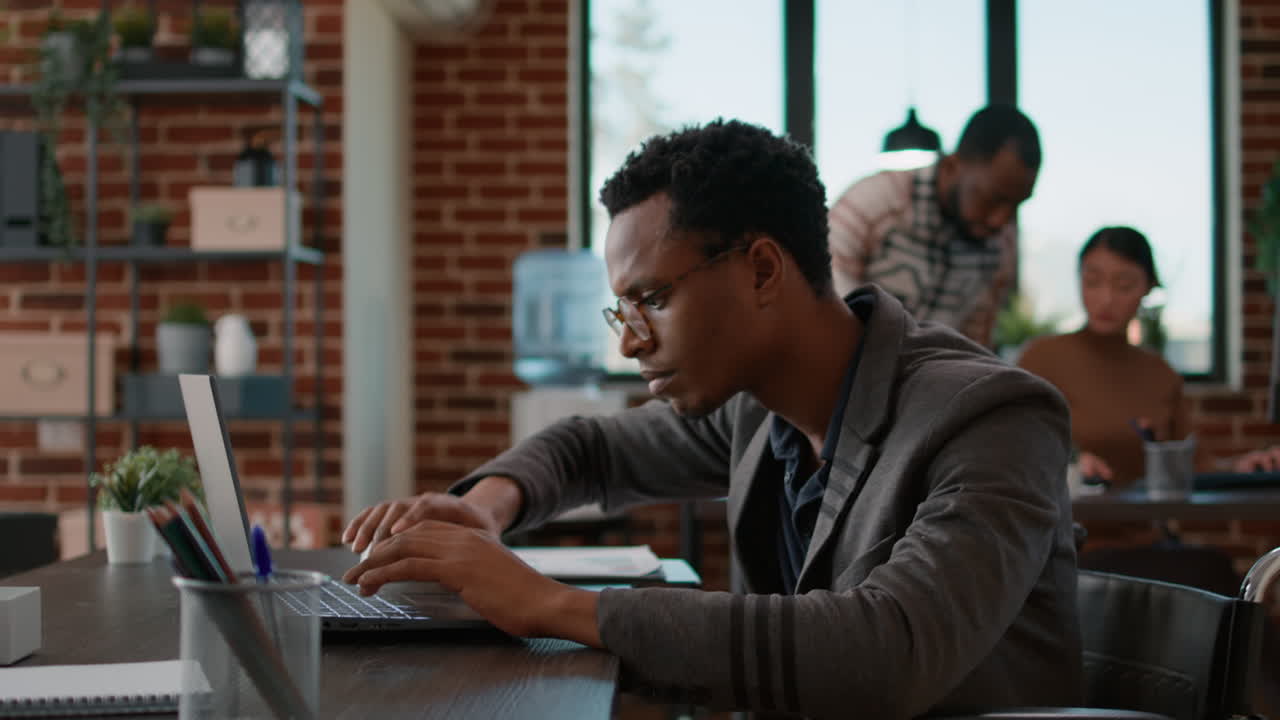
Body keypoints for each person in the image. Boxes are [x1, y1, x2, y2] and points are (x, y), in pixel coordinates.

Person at [342, 119, 1081, 718]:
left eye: (652, 300)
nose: (629, 341)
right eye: (622, 309)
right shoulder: (761, 410)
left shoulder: (991, 415)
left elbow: (890, 652)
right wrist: (484, 506)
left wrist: (547, 603)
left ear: (762, 270)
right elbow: (591, 447)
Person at [1018, 226, 1280, 488]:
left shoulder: (1159, 373)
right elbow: (1011, 448)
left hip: (1145, 525)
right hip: (1065, 527)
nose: (1106, 298)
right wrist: (1068, 463)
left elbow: (1193, 465)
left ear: (1147, 287)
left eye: (1124, 285)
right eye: (1093, 282)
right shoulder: (1040, 360)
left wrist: (1241, 467)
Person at [827, 104, 1040, 346]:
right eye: (992, 199)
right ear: (952, 166)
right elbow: (831, 310)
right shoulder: (873, 205)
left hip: (937, 378)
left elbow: (975, 343)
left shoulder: (1002, 244)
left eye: (1016, 205)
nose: (1001, 220)